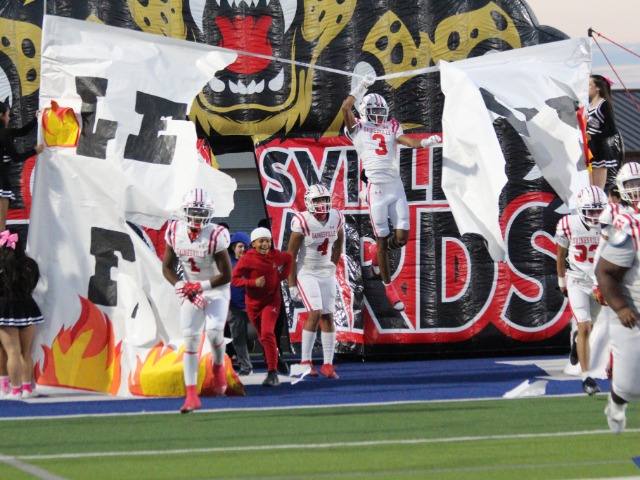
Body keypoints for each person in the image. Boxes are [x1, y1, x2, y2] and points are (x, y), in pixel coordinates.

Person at [341, 74, 441, 311]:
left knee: (402, 238)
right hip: (375, 188)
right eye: (373, 111)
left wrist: (425, 143)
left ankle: (376, 253)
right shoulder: (357, 128)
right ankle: (388, 286)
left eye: (381, 111)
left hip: (395, 186)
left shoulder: (392, 125)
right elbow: (345, 107)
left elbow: (407, 141)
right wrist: (363, 86)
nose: (378, 115)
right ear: (364, 111)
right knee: (382, 238)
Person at [162, 188, 232, 413]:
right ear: (184, 211)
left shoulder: (215, 234)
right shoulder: (174, 231)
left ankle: (218, 365)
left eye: (202, 212)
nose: (197, 216)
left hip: (216, 289)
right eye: (193, 211)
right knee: (191, 340)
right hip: (191, 289)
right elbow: (167, 267)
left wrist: (199, 287)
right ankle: (192, 396)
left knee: (214, 333)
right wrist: (181, 286)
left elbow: (226, 275)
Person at [595, 161, 640, 433]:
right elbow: (604, 268)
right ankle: (616, 403)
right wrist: (621, 306)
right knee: (630, 386)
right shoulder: (628, 225)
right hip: (632, 309)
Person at [288, 184, 345, 379]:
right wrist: (292, 283)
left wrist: (332, 266)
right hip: (307, 272)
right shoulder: (302, 221)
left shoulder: (336, 217)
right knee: (315, 312)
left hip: (326, 271)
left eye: (324, 199)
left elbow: (339, 244)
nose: (321, 203)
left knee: (328, 316)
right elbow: (291, 255)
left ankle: (328, 364)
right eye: (317, 200)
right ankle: (305, 361)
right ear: (308, 202)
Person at [556, 185, 607, 395]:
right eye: (591, 210)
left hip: (598, 283)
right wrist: (561, 281)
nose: (595, 215)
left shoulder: (610, 224)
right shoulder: (568, 224)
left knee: (589, 327)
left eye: (599, 210)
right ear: (581, 209)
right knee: (584, 325)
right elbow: (561, 255)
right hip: (576, 279)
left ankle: (577, 341)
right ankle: (587, 378)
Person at [231, 227, 292, 387]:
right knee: (262, 337)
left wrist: (282, 276)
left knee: (267, 334)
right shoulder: (247, 259)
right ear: (253, 244)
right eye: (261, 241)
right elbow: (234, 279)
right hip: (253, 304)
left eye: (268, 241)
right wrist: (252, 283)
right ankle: (276, 359)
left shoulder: (276, 255)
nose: (265, 244)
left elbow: (289, 258)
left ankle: (272, 373)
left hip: (271, 302)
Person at [0, 230, 43, 400]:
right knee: (26, 352)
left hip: (6, 310)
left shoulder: (2, 263)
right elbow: (33, 283)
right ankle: (27, 389)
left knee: (12, 352)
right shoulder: (30, 264)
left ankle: (15, 390)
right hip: (28, 308)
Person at [0, 102, 44, 231]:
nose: (9, 118)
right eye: (8, 115)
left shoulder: (7, 133)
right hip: (1, 181)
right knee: (1, 223)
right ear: (1, 115)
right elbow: (16, 157)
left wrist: (35, 119)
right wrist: (34, 151)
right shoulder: (5, 133)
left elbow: (22, 132)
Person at [587, 74, 622, 191]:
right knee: (588, 189)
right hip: (588, 150)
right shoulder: (588, 106)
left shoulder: (604, 104)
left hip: (599, 150)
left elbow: (611, 130)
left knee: (597, 191)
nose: (587, 88)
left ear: (598, 87)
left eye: (589, 85)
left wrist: (592, 136)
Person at [227, 231, 254, 376]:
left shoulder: (253, 262)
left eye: (245, 247)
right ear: (233, 247)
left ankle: (274, 363)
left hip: (253, 306)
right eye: (240, 246)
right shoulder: (226, 263)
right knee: (238, 338)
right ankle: (245, 367)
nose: (243, 249)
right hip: (234, 307)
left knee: (262, 335)